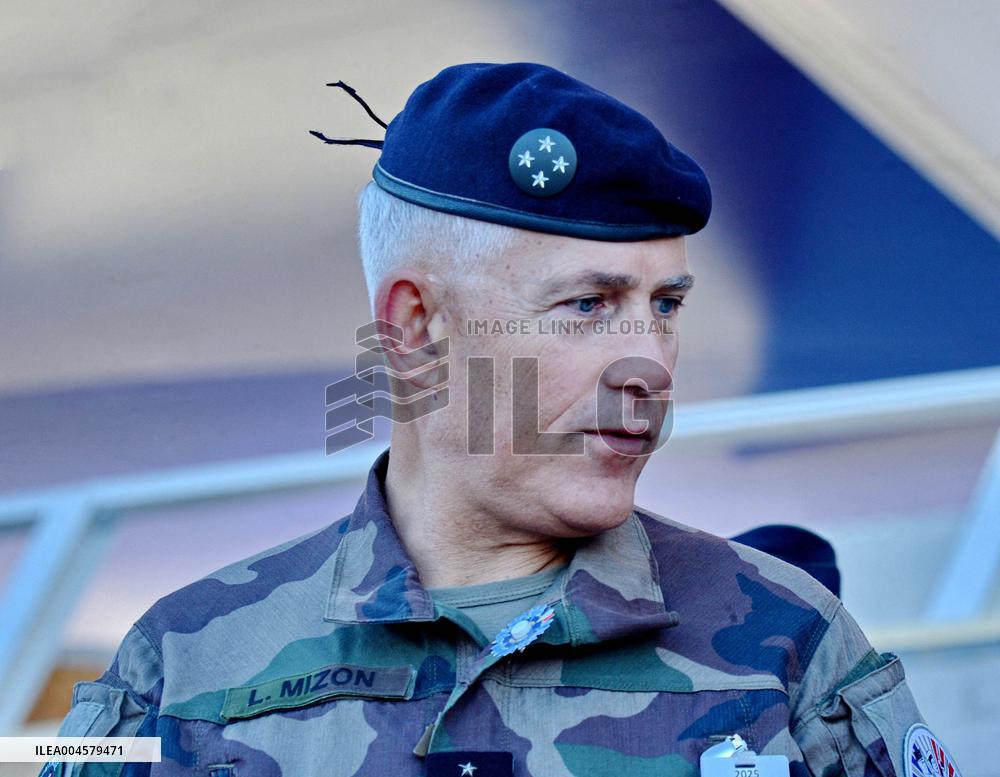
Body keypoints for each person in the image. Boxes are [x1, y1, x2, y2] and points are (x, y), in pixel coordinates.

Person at [46, 62, 949, 777]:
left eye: (667, 305)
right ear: (415, 326)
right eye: (588, 305)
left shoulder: (789, 641)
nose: (649, 363)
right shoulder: (181, 666)